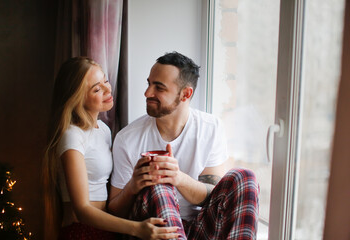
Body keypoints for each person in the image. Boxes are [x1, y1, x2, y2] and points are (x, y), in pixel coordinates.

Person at [108, 51, 259, 239]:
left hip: (198, 227)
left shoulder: (211, 128)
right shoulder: (127, 139)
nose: (147, 93)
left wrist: (178, 178)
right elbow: (114, 212)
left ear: (186, 94)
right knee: (159, 183)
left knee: (244, 177)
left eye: (159, 88)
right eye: (149, 84)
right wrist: (134, 185)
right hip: (154, 231)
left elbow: (211, 195)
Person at [42, 56, 181, 240]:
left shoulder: (104, 131)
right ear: (77, 98)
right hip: (82, 231)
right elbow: (82, 209)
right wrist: (137, 228)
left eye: (105, 81)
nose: (108, 89)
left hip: (106, 228)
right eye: (97, 89)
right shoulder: (72, 136)